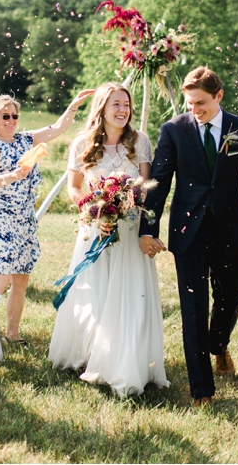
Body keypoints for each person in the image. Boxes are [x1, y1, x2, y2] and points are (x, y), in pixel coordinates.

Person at [139, 66, 238, 406]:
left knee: (230, 299)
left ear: (219, 96)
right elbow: (158, 184)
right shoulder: (173, 130)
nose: (194, 109)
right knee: (192, 308)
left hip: (230, 229)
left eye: (201, 103)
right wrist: (148, 229)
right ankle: (201, 388)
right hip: (188, 233)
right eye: (190, 103)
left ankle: (218, 345)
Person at [48, 83, 169, 396]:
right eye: (116, 104)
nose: (123, 110)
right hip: (95, 228)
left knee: (128, 293)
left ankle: (124, 357)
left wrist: (128, 200)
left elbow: (146, 184)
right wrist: (95, 209)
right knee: (94, 292)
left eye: (126, 104)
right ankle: (90, 353)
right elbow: (74, 187)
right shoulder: (81, 144)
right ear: (101, 108)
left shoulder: (139, 140)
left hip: (129, 229)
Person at [0, 89, 94, 348]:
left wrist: (73, 105)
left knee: (21, 276)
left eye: (15, 116)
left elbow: (58, 128)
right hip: (0, 218)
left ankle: (12, 332)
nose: (10, 121)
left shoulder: (25, 139)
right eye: (5, 116)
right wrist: (13, 176)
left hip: (24, 219)